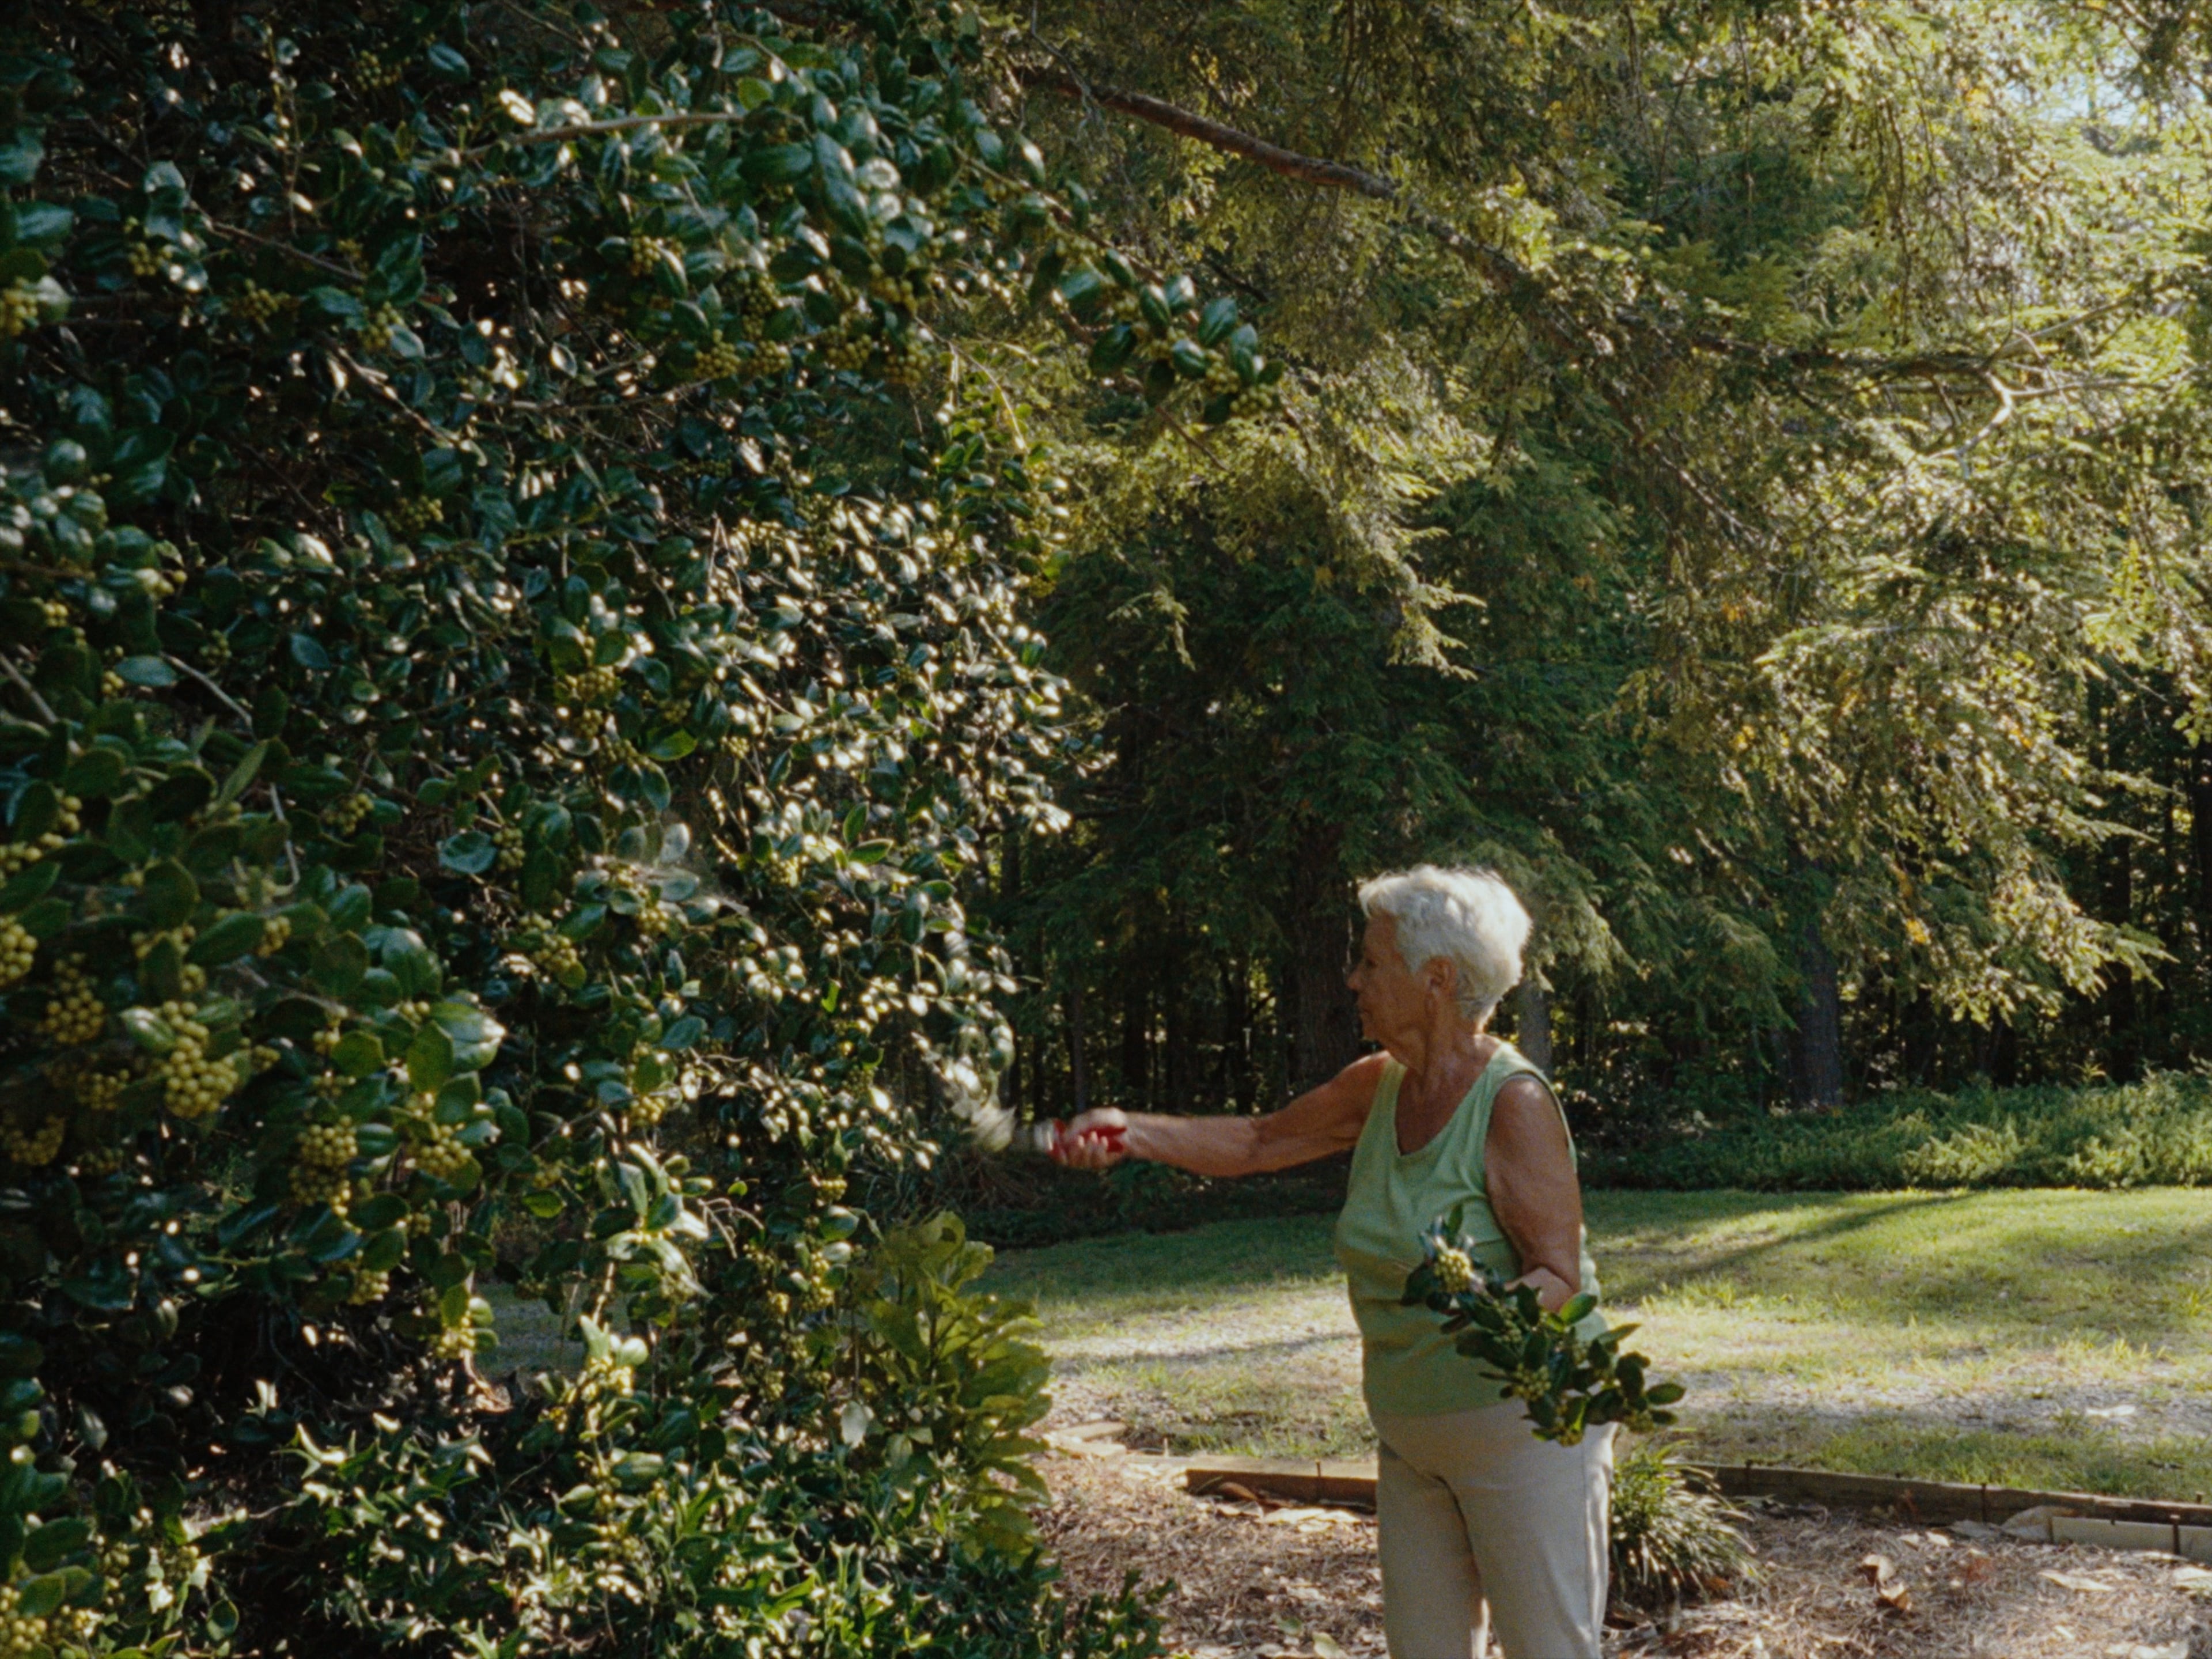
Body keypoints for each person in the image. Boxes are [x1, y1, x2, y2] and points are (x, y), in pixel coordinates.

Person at [1051, 865, 1611, 1659]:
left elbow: (1557, 1275)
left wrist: (1482, 1315)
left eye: (1372, 963)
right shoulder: (1379, 1086)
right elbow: (1260, 1140)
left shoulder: (1511, 1104)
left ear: (1436, 980)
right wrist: (1130, 1132)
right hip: (1412, 1436)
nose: (1353, 980)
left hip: (1525, 1435)